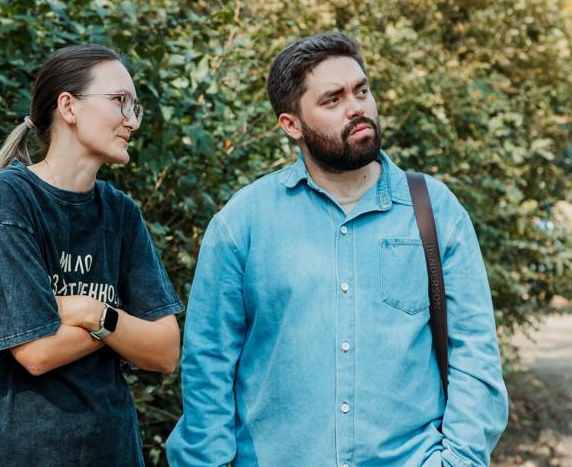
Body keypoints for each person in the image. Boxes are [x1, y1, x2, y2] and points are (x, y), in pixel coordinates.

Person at [167, 32, 508, 466]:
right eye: (333, 99)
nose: (357, 107)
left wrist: (459, 460)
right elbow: (208, 367)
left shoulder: (433, 209)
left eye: (361, 91)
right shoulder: (243, 222)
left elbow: (475, 353)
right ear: (291, 125)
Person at [0, 44, 184, 467]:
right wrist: (124, 329)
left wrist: (94, 312)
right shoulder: (9, 196)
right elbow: (37, 352)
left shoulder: (121, 212)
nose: (131, 120)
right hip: (12, 452)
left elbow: (164, 350)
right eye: (119, 101)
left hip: (109, 451)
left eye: (134, 107)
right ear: (69, 106)